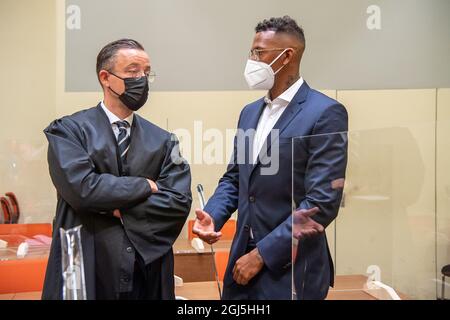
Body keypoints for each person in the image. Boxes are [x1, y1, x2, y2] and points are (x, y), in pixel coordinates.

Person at [193, 16, 348, 300]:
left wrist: (262, 255)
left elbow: (322, 203)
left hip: (291, 269)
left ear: (287, 55)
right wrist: (213, 216)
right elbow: (235, 178)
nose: (252, 60)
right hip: (241, 263)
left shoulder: (325, 113)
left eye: (259, 52)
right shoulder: (250, 112)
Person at [42, 39, 192, 300]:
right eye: (133, 71)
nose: (142, 79)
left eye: (147, 72)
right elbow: (82, 190)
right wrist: (145, 186)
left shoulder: (164, 141)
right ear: (106, 78)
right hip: (85, 265)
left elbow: (177, 201)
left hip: (145, 270)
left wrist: (114, 207)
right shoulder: (68, 132)